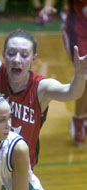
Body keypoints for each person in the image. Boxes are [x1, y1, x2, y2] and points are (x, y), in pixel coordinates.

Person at [0, 0, 87, 170]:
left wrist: (80, 74)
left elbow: (72, 93)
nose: (17, 59)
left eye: (24, 55)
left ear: (33, 59)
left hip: (20, 170)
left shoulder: (41, 88)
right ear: (3, 55)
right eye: (11, 53)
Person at [41, 0, 87, 143]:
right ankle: (78, 118)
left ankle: (84, 114)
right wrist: (48, 6)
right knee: (85, 73)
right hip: (79, 30)